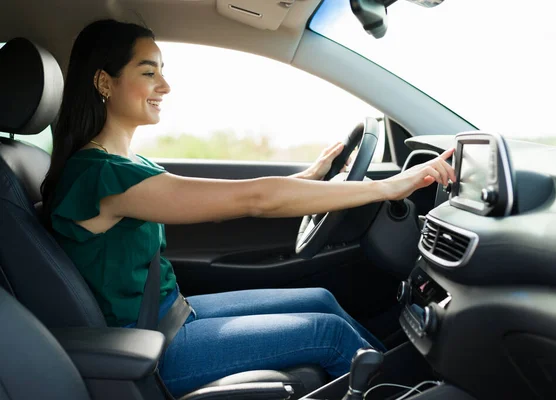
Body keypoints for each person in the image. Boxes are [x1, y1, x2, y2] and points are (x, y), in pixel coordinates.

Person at [40, 19, 456, 397]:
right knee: (329, 335)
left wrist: (308, 179)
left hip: (172, 313)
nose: (165, 86)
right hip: (148, 343)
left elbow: (224, 200)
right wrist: (387, 188)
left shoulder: (129, 167)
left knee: (323, 299)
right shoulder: (100, 176)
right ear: (104, 82)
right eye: (149, 72)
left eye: (163, 71)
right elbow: (253, 199)